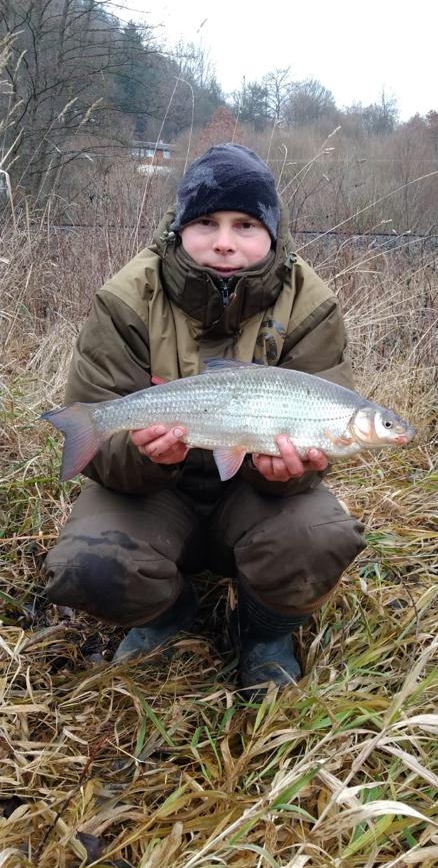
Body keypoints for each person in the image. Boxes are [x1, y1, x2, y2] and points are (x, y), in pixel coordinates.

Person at [44, 143, 365, 690]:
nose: (223, 241)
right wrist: (144, 455)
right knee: (85, 565)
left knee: (319, 536)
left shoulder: (311, 304)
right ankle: (168, 613)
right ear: (178, 228)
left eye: (244, 224)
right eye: (205, 223)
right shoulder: (126, 297)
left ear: (271, 233)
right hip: (152, 496)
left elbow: (312, 458)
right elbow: (108, 461)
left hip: (251, 496)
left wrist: (290, 472)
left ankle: (264, 632)